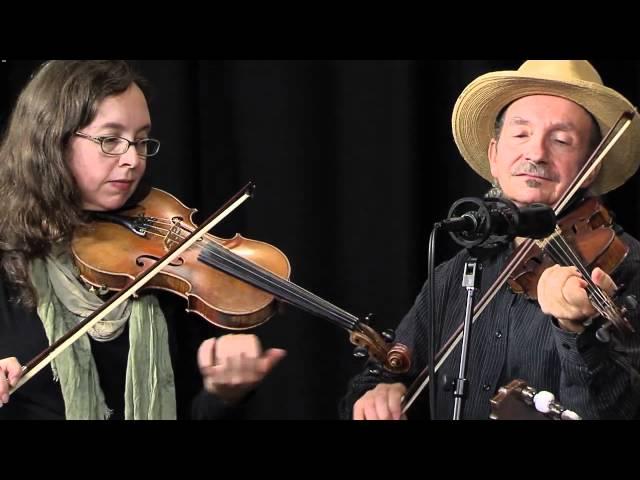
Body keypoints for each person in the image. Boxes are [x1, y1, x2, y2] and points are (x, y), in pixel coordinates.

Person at [340, 60, 640, 420]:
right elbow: (389, 367)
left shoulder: (624, 266)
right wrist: (382, 389)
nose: (536, 154)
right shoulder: (459, 272)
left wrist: (577, 331)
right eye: (521, 134)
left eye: (561, 140)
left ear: (590, 166)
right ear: (495, 156)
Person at [0, 60, 286, 420]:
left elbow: (188, 412)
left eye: (141, 140)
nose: (133, 159)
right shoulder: (6, 255)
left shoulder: (159, 262)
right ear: (52, 139)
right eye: (110, 140)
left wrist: (223, 395)